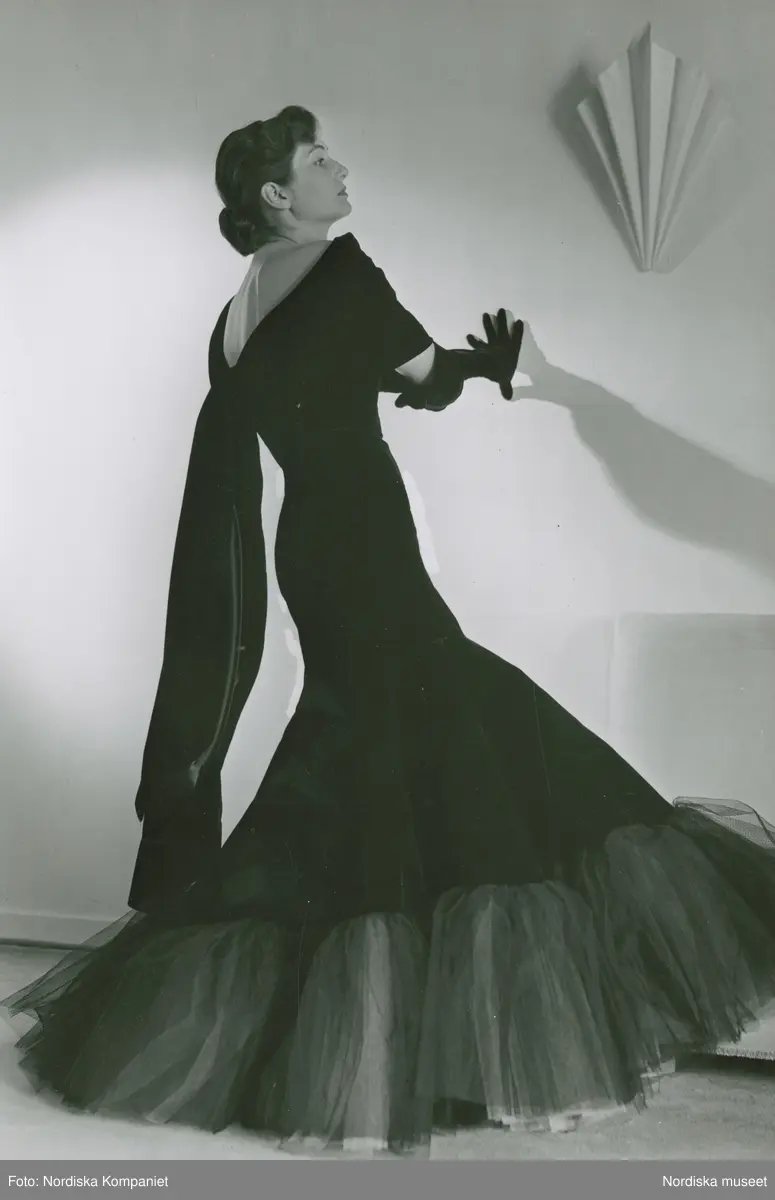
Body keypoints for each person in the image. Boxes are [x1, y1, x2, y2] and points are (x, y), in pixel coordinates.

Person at [5, 104, 775, 1156]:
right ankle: (464, 1020)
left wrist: (462, 371)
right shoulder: (345, 274)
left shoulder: (234, 315)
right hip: (363, 535)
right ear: (278, 194)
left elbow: (333, 383)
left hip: (309, 546)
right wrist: (501, 368)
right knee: (446, 709)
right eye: (319, 160)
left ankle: (390, 1015)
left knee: (368, 736)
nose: (340, 169)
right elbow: (424, 377)